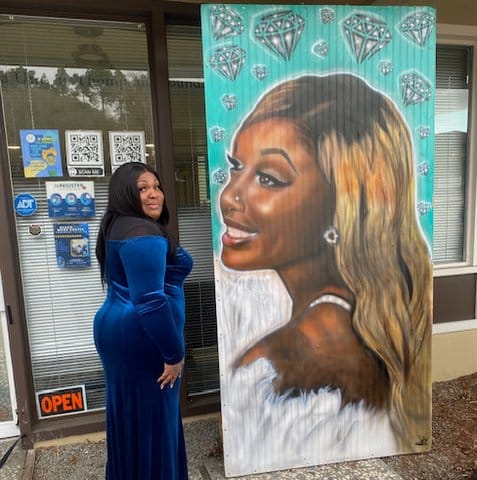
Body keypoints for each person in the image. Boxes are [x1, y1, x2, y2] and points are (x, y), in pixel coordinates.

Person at [218, 73, 432, 464]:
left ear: (342, 206)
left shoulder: (288, 360)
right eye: (237, 167)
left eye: (268, 178)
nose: (230, 195)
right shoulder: (356, 319)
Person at [94, 161, 193, 480]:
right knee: (154, 421)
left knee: (132, 418)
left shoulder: (118, 225)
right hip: (144, 337)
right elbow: (151, 302)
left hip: (121, 330)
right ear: (125, 194)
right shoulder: (143, 234)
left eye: (157, 186)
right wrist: (174, 355)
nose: (154, 194)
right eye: (142, 189)